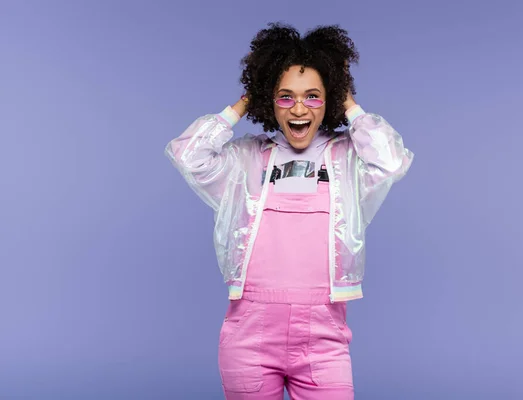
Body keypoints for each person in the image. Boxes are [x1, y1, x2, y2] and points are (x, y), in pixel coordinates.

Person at [165, 22, 414, 400]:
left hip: (324, 337)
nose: (299, 108)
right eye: (285, 97)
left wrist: (348, 101)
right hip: (249, 334)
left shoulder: (347, 158)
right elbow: (188, 154)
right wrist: (245, 100)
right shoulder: (247, 158)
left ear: (328, 100)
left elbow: (392, 161)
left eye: (313, 96)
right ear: (271, 102)